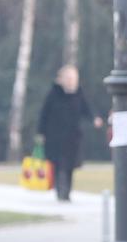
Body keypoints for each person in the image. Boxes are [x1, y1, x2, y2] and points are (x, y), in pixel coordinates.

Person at [36, 65, 102, 202]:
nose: (72, 81)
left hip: (73, 137)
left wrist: (94, 118)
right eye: (69, 78)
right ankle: (60, 190)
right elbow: (44, 114)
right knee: (59, 164)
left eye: (74, 78)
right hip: (55, 136)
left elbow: (87, 109)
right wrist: (40, 133)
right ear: (62, 79)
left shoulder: (79, 93)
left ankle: (67, 192)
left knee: (70, 165)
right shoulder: (54, 94)